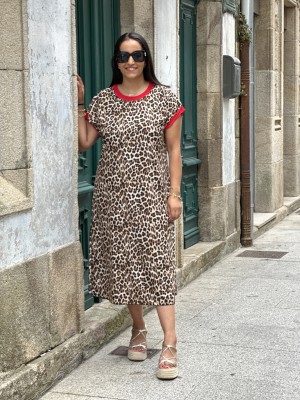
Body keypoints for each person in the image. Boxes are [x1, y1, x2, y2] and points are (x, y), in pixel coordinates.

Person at [77, 32, 184, 380]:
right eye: (124, 56)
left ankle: (170, 342)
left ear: (146, 58)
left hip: (153, 196)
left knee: (156, 265)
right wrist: (80, 104)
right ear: (116, 62)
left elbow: (174, 152)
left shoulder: (165, 100)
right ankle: (138, 329)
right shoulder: (104, 100)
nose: (131, 61)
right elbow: (84, 143)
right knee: (125, 266)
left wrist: (175, 194)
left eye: (137, 55)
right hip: (112, 197)